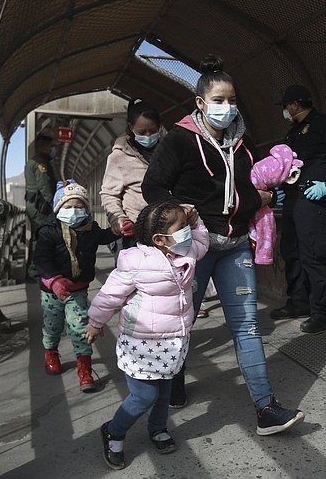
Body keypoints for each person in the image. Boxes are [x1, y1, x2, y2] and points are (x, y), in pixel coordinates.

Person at [142, 54, 305, 436]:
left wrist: (260, 199)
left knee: (247, 326)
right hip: (193, 249)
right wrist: (177, 208)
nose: (226, 107)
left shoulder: (243, 143)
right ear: (200, 103)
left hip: (234, 246)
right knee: (181, 326)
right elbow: (153, 187)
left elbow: (246, 192)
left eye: (231, 100)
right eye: (218, 100)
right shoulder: (180, 141)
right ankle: (169, 395)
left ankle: (266, 408)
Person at [85, 199, 209, 470]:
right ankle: (114, 432)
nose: (187, 231)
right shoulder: (136, 262)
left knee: (164, 390)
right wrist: (95, 322)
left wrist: (196, 221)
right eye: (181, 227)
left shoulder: (184, 250)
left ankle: (157, 428)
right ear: (159, 239)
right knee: (144, 396)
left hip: (173, 339)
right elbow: (109, 295)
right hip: (141, 342)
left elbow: (202, 241)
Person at [34, 180, 119, 391]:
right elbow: (41, 259)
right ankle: (51, 353)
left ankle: (85, 370)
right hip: (51, 291)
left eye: (80, 206)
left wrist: (118, 229)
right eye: (69, 206)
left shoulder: (90, 228)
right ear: (58, 208)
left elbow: (105, 236)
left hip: (78, 289)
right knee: (52, 326)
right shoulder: (48, 231)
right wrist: (54, 280)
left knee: (80, 327)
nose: (74, 211)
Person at [270, 85, 326, 334]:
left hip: (313, 199)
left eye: (286, 106)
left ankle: (322, 312)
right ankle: (298, 301)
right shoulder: (293, 133)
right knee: (292, 252)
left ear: (295, 105)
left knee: (313, 255)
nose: (286, 111)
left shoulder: (324, 125)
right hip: (293, 198)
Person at [101, 98, 165, 249]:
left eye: (153, 131)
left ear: (160, 127)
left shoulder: (169, 151)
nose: (148, 136)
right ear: (131, 128)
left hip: (167, 231)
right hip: (135, 233)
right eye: (142, 132)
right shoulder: (118, 157)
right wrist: (119, 219)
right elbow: (109, 194)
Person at [25, 134, 58, 280]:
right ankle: (35, 270)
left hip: (36, 204)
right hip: (41, 206)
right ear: (43, 146)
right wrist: (52, 204)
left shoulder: (36, 161)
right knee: (41, 237)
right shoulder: (40, 163)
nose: (52, 149)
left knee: (37, 237)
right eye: (50, 146)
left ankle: (35, 268)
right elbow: (44, 184)